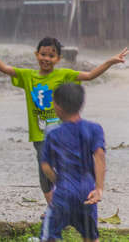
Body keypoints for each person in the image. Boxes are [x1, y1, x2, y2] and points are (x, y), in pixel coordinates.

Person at [0, 34, 126, 207]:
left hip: (62, 133)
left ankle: (67, 200)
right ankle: (54, 207)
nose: (46, 58)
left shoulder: (64, 74)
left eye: (51, 56)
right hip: (39, 135)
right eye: (43, 54)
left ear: (58, 59)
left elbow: (89, 76)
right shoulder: (28, 76)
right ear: (37, 55)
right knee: (44, 173)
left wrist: (110, 62)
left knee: (62, 167)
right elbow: (4, 68)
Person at [40, 83, 105, 242]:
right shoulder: (94, 128)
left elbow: (45, 166)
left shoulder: (52, 132)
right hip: (87, 192)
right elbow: (100, 157)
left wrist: (58, 181)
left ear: (58, 106)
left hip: (64, 191)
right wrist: (99, 188)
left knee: (49, 235)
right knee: (90, 235)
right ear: (80, 104)